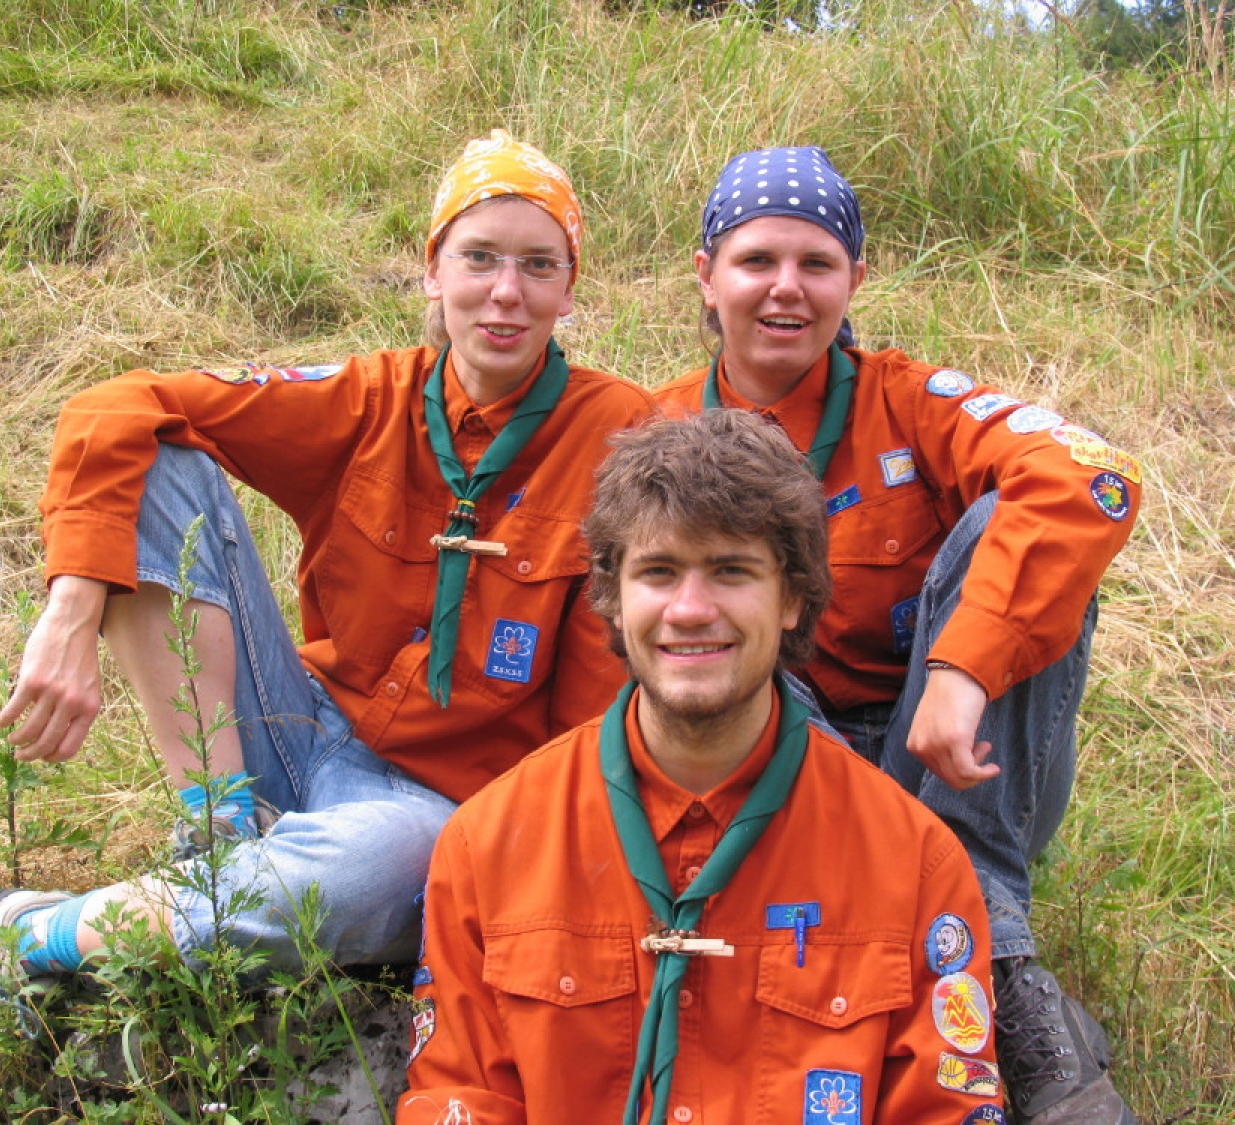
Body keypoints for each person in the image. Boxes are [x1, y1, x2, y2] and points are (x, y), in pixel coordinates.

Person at [0, 129, 653, 1122]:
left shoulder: (623, 431)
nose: (506, 292)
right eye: (479, 258)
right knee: (162, 459)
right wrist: (69, 606)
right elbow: (117, 408)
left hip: (442, 804)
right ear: (432, 269)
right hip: (299, 728)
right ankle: (219, 832)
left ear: (571, 289)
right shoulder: (369, 399)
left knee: (384, 865)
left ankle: (25, 941)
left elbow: (603, 705)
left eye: (539, 266)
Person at [652, 146, 1141, 1125]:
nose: (786, 289)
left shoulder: (910, 402)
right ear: (707, 277)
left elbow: (1097, 479)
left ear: (854, 281)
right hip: (783, 774)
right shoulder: (653, 428)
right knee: (707, 615)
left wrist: (965, 668)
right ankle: (987, 979)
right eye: (757, 262)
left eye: (817, 263)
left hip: (954, 760)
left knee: (1016, 523)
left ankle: (993, 950)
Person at [398, 410, 1004, 1125]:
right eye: (657, 571)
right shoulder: (486, 846)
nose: (690, 609)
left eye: (730, 570)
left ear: (793, 598)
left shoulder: (916, 863)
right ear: (613, 600)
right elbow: (459, 1100)